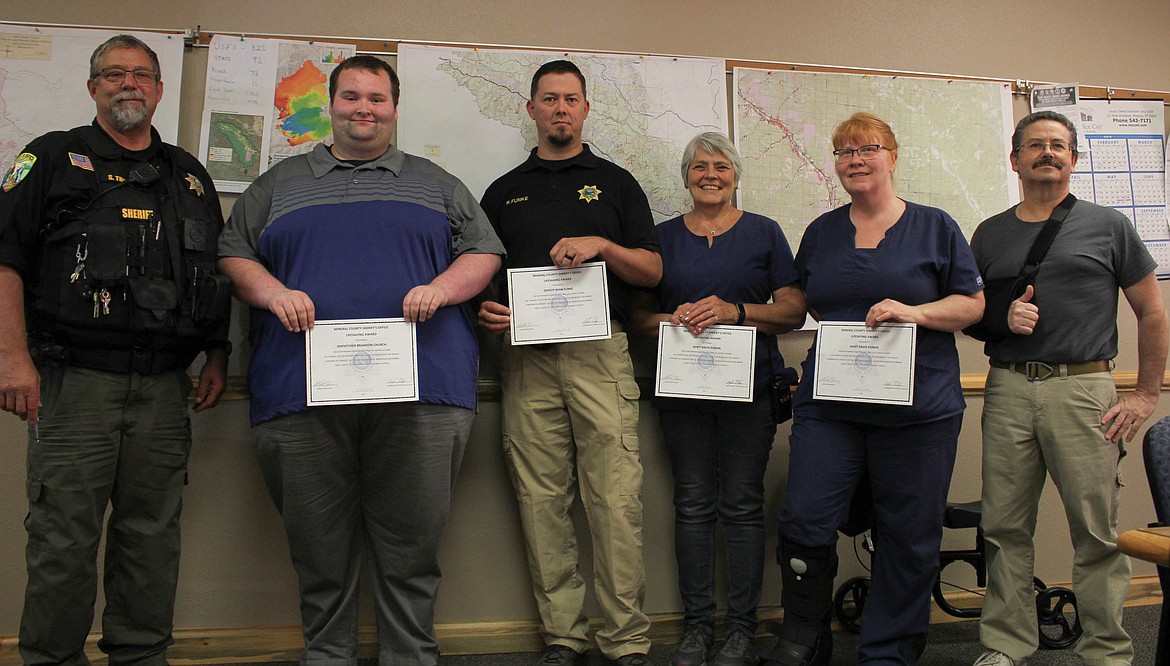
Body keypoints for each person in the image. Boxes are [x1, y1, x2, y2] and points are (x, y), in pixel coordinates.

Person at [217, 55, 504, 665]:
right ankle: (328, 656)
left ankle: (410, 657)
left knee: (412, 550)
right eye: (351, 97)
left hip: (423, 395)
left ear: (395, 109)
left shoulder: (436, 182)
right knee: (318, 550)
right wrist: (274, 292)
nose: (363, 109)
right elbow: (234, 256)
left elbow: (483, 253)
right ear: (332, 103)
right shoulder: (278, 184)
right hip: (300, 393)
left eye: (376, 98)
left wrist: (443, 289)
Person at [0, 34, 232, 665]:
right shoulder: (47, 158)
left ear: (159, 89)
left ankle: (139, 656)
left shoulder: (188, 173)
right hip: (75, 383)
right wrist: (12, 359)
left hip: (164, 387)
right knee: (63, 537)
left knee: (151, 536)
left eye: (141, 76)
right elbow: (6, 260)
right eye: (114, 74)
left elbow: (207, 271)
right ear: (93, 86)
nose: (128, 85)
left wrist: (216, 352)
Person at [762, 112, 985, 666]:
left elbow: (972, 304)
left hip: (918, 411)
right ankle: (804, 641)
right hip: (832, 404)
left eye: (868, 149)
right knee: (806, 519)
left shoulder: (936, 227)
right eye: (844, 152)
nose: (856, 160)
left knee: (908, 535)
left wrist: (914, 312)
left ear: (892, 156)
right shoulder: (821, 232)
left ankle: (888, 653)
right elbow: (813, 301)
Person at [477, 59, 661, 666]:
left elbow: (654, 271)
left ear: (586, 110)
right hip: (526, 359)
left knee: (614, 500)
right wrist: (488, 310)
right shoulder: (503, 192)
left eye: (571, 99)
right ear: (530, 109)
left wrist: (604, 247)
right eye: (549, 99)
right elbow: (483, 278)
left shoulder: (615, 183)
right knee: (540, 500)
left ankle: (625, 640)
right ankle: (563, 635)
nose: (560, 108)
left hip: (599, 355)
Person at [970, 111, 1168, 666]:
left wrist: (1145, 394)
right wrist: (1002, 318)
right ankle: (1005, 645)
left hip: (1084, 389)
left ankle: (1106, 649)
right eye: (1035, 146)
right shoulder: (989, 232)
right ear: (1015, 160)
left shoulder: (1109, 225)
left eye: (1058, 145)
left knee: (1095, 530)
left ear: (1074, 159)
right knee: (1005, 525)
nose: (1047, 154)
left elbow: (1152, 311)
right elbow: (975, 315)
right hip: (1008, 389)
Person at [630, 132, 805, 666]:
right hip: (681, 391)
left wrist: (736, 311)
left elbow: (794, 312)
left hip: (749, 389)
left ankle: (742, 628)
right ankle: (697, 627)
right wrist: (672, 319)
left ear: (735, 175)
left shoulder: (764, 233)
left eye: (721, 166)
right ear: (685, 177)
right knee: (693, 504)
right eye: (699, 166)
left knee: (744, 506)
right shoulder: (659, 239)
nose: (710, 174)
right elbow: (637, 317)